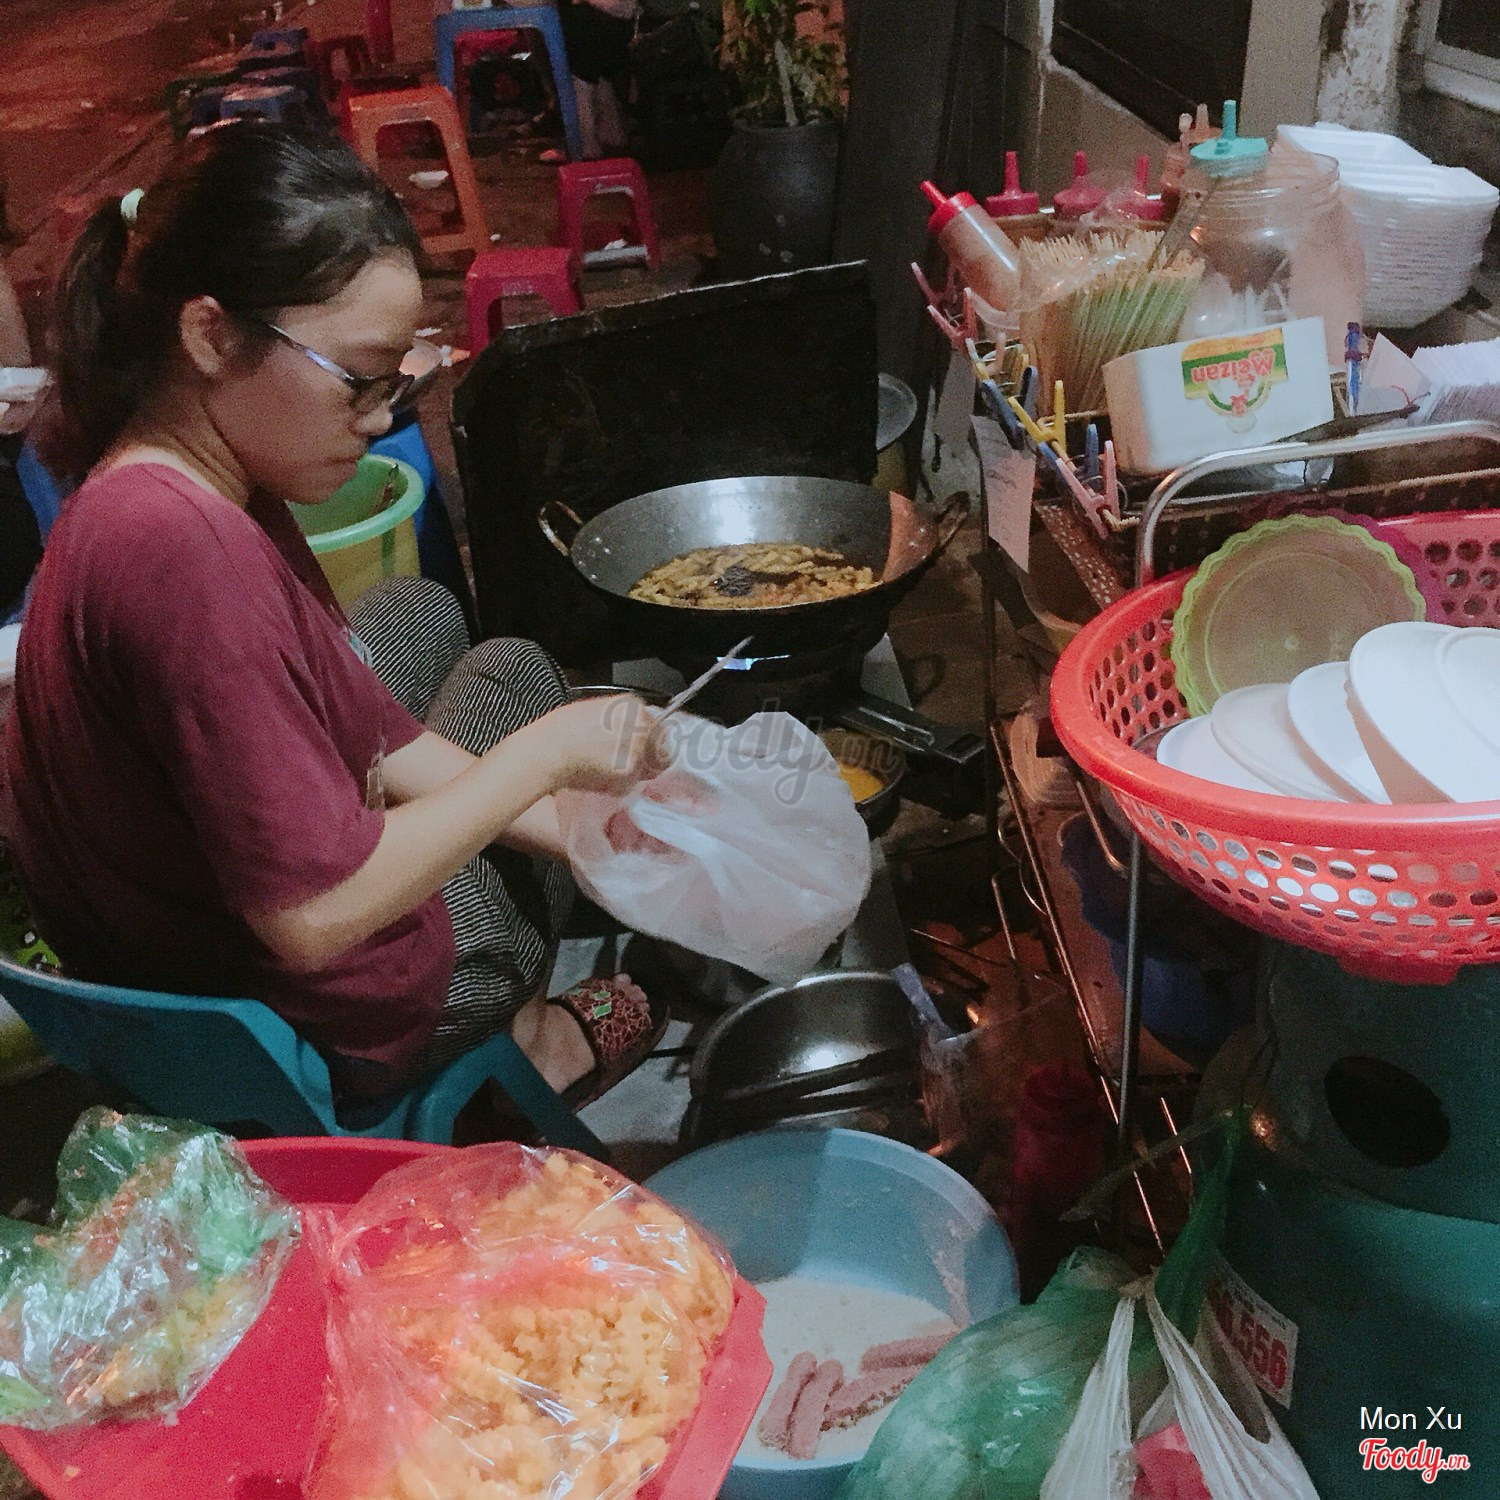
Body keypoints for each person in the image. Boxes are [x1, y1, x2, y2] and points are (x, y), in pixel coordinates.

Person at [1, 123, 668, 1111]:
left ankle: (528, 908)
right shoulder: (182, 554)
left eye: (397, 380)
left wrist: (588, 829)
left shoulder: (176, 469)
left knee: (414, 612)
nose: (381, 416)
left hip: (164, 943)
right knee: (521, 681)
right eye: (359, 379)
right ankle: (531, 1042)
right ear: (210, 335)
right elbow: (312, 918)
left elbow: (373, 726)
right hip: (269, 1030)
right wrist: (548, 761)